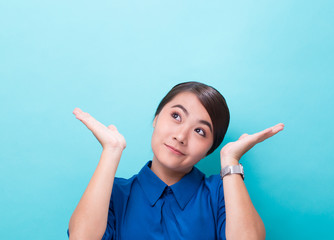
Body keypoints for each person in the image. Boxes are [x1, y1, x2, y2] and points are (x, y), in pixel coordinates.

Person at [68, 82, 284, 240]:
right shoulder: (114, 193)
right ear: (156, 118)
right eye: (176, 116)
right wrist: (111, 151)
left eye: (200, 131)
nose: (181, 136)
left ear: (210, 148)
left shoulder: (221, 192)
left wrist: (231, 160)